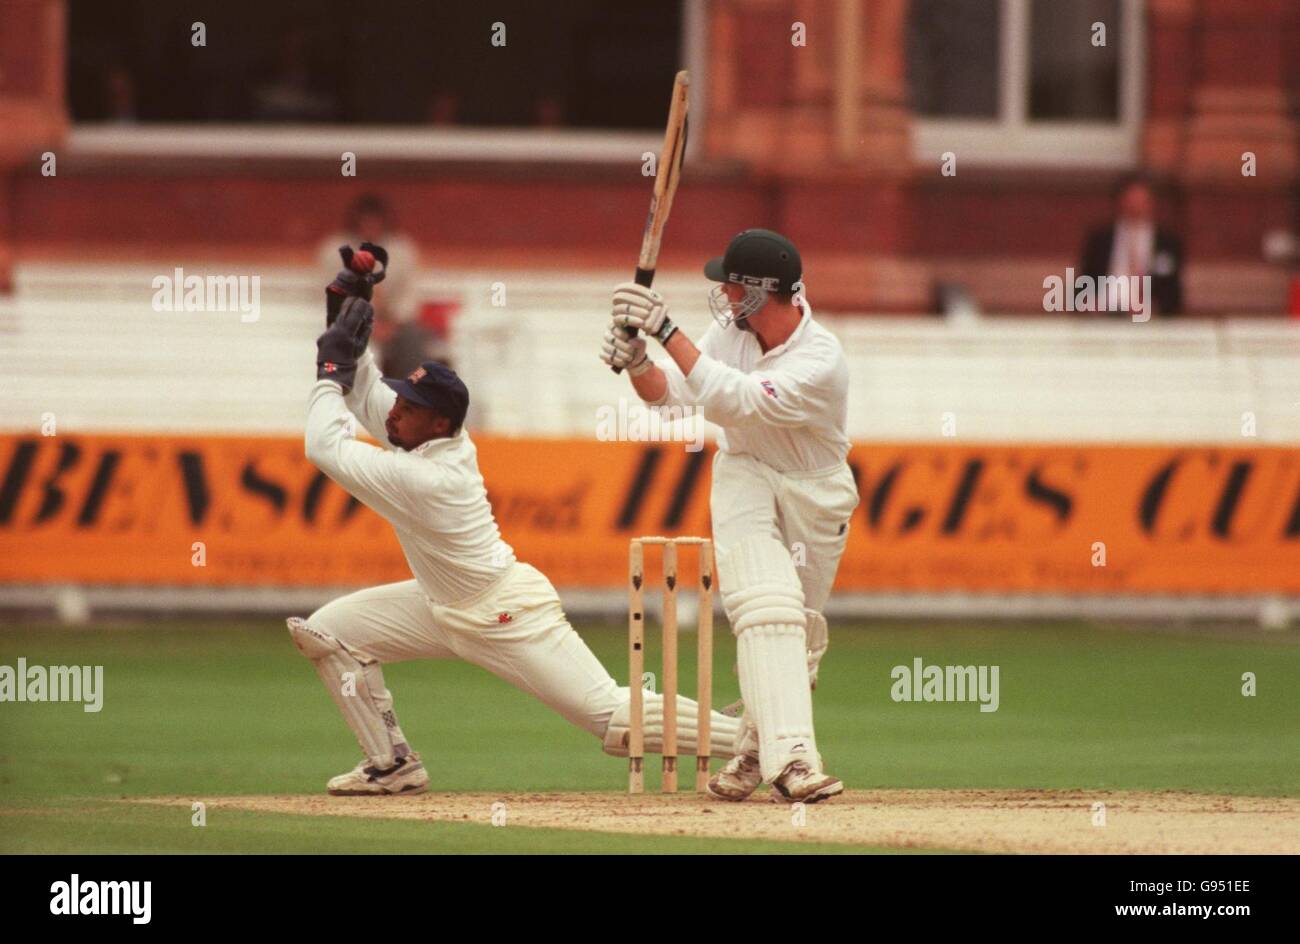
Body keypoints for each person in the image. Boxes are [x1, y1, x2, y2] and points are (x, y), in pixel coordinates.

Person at [288, 258, 738, 796]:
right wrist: (346, 306)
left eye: (406, 410)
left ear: (437, 423)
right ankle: (391, 764)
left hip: (503, 611)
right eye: (399, 402)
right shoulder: (420, 433)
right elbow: (362, 393)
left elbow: (324, 444)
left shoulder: (430, 477)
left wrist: (327, 374)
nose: (393, 416)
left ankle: (756, 740)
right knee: (329, 633)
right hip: (440, 604)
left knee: (609, 716)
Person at [600, 229, 860, 803]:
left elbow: (737, 399)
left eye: (731, 283)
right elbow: (672, 399)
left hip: (815, 492)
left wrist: (666, 331)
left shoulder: (821, 359)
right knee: (765, 608)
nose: (722, 291)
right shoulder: (730, 332)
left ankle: (748, 751)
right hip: (745, 473)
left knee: (797, 631)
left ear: (762, 291)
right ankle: (794, 762)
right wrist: (641, 359)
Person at [317, 194, 433, 376]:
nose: (370, 228)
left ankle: (413, 396)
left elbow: (409, 293)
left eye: (375, 223)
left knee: (413, 338)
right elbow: (333, 294)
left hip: (394, 323)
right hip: (350, 322)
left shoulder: (402, 251)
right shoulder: (335, 251)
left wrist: (394, 323)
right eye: (365, 223)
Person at [1079, 173, 1185, 316]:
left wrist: (1154, 307)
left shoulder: (1167, 242)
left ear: (1152, 203)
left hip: (1148, 315)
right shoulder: (1101, 239)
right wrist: (1090, 302)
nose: (1135, 206)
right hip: (1104, 311)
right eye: (1130, 200)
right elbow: (1084, 279)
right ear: (1120, 201)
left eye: (1141, 200)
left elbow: (1173, 289)